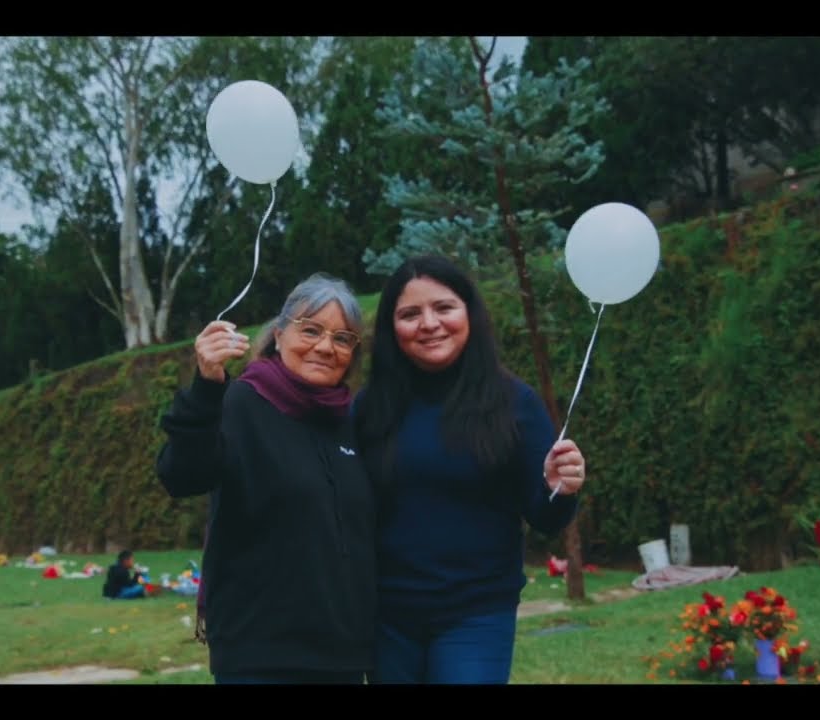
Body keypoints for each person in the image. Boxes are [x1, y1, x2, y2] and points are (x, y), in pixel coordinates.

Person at [352, 254, 588, 684]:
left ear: (469, 314)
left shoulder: (514, 403)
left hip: (476, 615)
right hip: (386, 619)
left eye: (444, 307)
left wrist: (561, 488)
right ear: (391, 328)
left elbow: (546, 516)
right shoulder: (367, 411)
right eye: (409, 314)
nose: (429, 323)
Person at [156, 272, 376, 685]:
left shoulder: (350, 420)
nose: (326, 347)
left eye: (343, 338)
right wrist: (206, 386)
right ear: (278, 334)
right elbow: (181, 475)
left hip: (341, 652)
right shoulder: (241, 401)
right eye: (310, 330)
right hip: (259, 651)